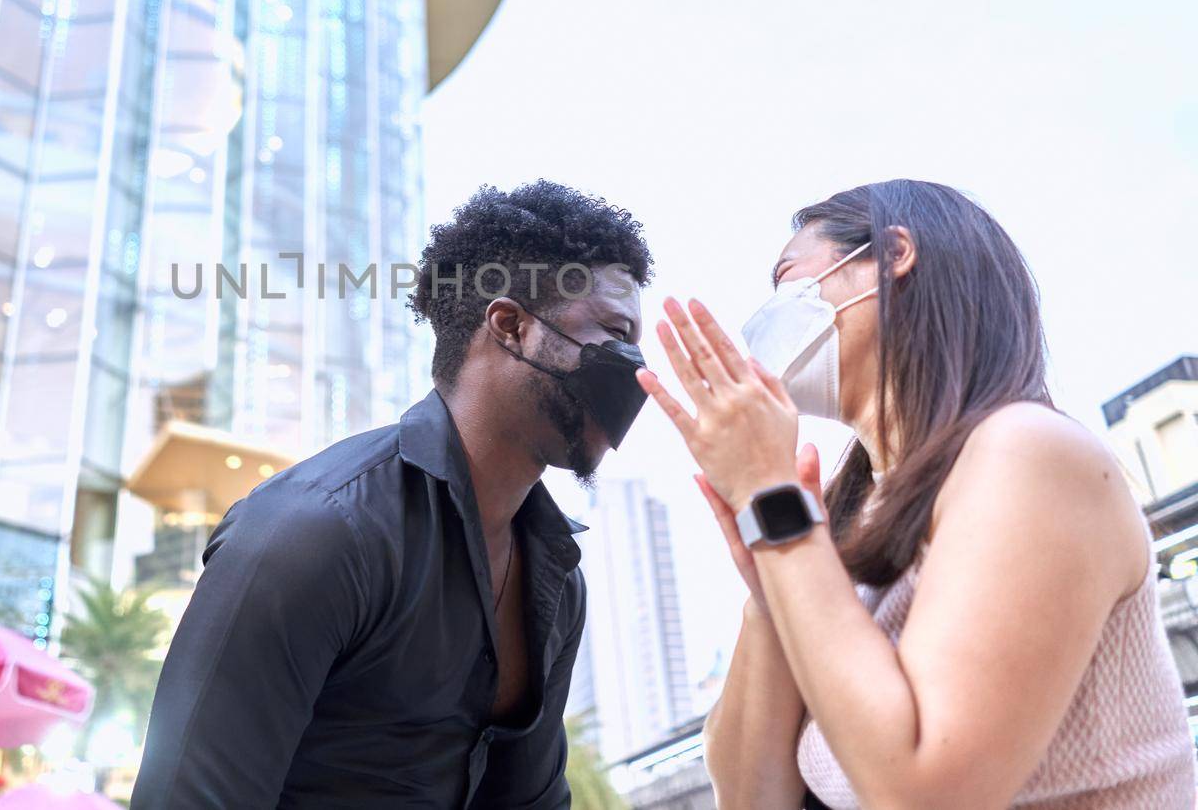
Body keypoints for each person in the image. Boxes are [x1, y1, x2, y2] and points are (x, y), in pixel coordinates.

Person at [636, 179, 1196, 809]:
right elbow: (749, 797)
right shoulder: (843, 521)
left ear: (894, 253)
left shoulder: (1029, 451)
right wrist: (774, 589)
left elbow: (924, 791)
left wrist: (773, 496)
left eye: (787, 279)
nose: (766, 319)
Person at [131, 181, 654, 808]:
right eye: (615, 334)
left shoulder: (557, 576)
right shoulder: (316, 531)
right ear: (511, 326)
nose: (637, 370)